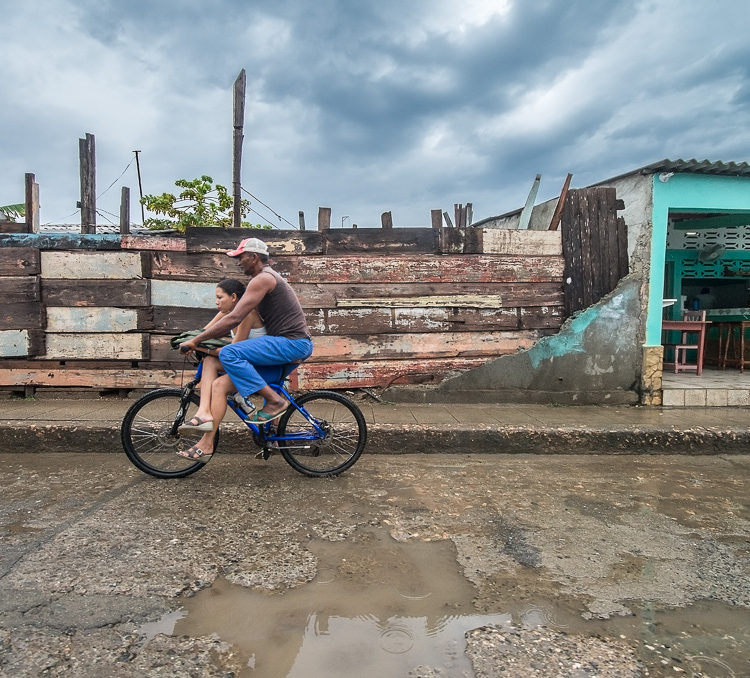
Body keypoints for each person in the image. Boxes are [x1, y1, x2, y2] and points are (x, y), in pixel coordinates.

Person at [177, 237, 313, 462]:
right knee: (216, 370)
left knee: (231, 353)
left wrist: (196, 341)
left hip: (292, 343)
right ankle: (207, 439)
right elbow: (228, 315)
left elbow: (236, 317)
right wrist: (197, 338)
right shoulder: (262, 280)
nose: (238, 262)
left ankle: (274, 401)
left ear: (254, 257)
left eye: (241, 257)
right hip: (284, 344)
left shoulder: (263, 279)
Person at [178, 278, 265, 433]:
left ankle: (218, 406)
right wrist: (188, 341)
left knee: (212, 362)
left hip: (260, 365)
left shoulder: (247, 314)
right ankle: (204, 411)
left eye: (220, 297)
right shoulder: (225, 313)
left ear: (233, 297)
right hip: (246, 362)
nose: (216, 302)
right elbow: (203, 333)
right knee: (210, 360)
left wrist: (199, 346)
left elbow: (232, 351)